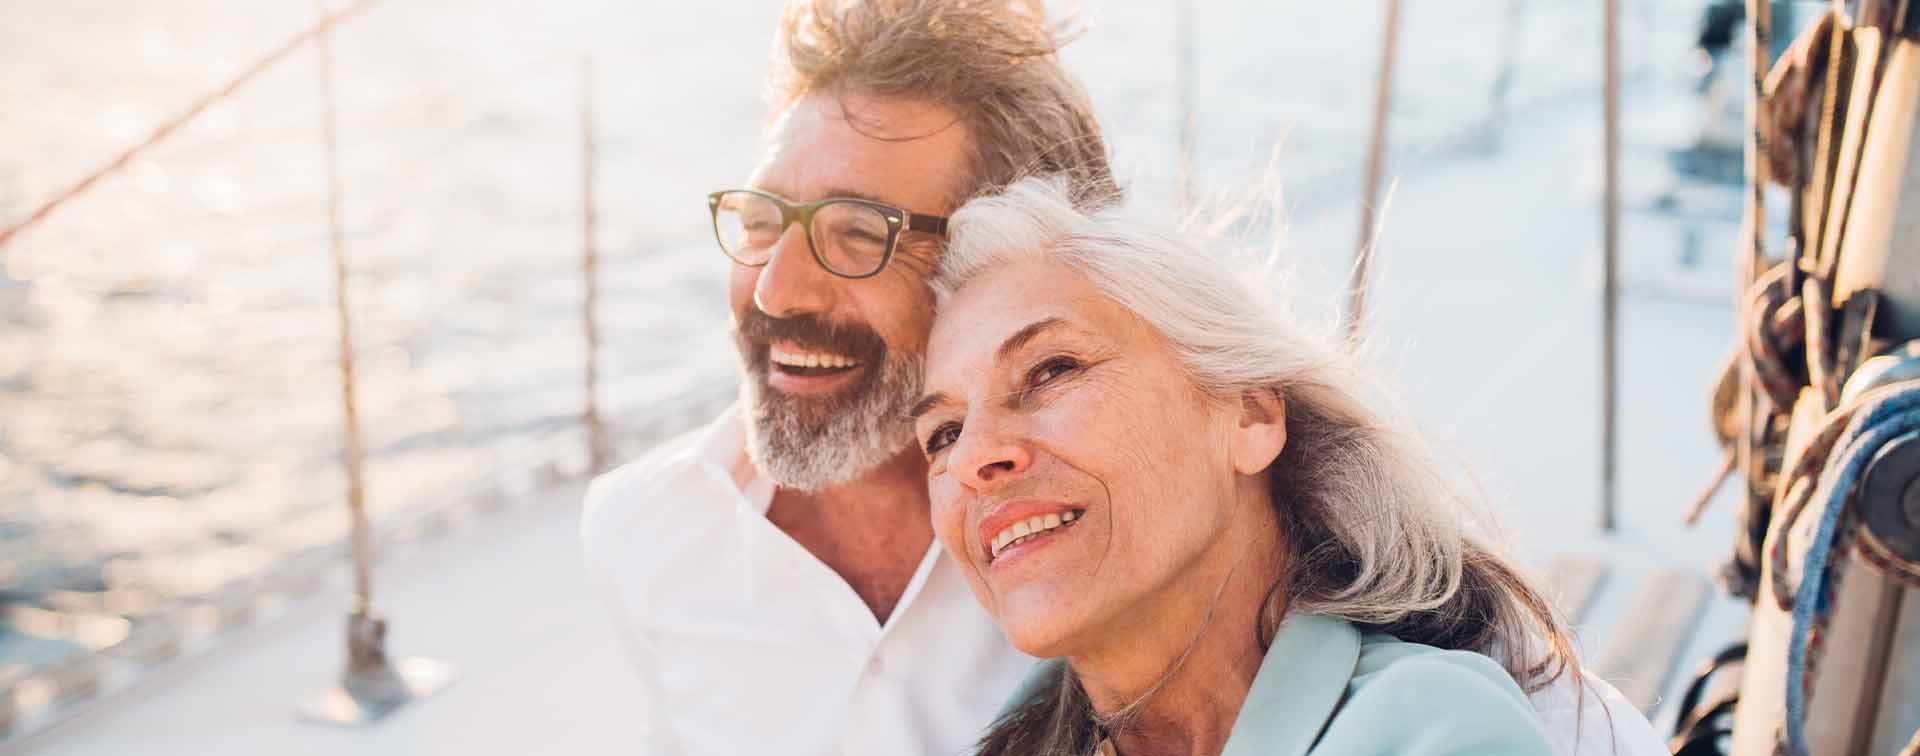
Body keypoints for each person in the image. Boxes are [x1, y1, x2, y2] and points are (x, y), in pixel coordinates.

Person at [580, 1, 1665, 754]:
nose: (775, 288)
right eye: (762, 220)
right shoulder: (645, 536)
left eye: (860, 234)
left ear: (1004, 256)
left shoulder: (1120, 528)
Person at [913, 176, 1651, 755]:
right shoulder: (1017, 736)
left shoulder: (1432, 733)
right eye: (943, 432)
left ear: (1251, 416)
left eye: (1051, 370)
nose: (976, 455)